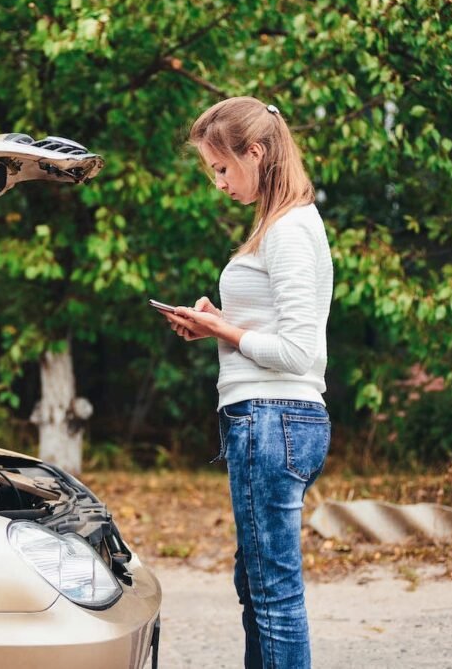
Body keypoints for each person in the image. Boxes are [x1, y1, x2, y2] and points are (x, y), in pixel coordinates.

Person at [159, 96, 334, 669]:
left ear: (254, 152)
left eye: (221, 167)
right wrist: (216, 327)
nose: (219, 182)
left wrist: (224, 330)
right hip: (274, 419)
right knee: (257, 583)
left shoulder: (287, 230)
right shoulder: (281, 225)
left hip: (273, 418)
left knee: (274, 594)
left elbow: (297, 351)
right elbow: (274, 330)